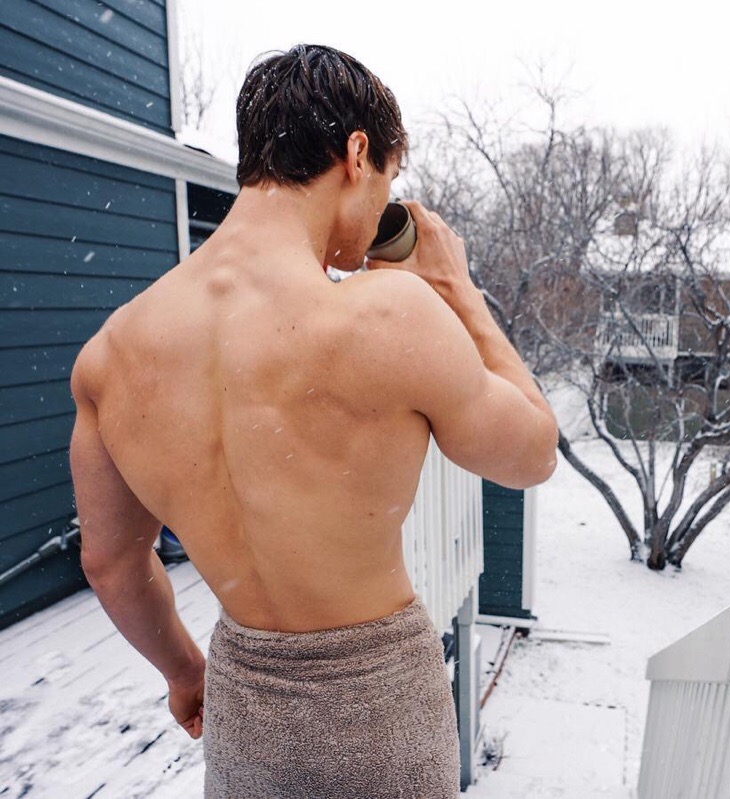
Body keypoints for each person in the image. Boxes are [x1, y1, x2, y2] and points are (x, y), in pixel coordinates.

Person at [68, 44, 558, 798]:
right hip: (381, 721)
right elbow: (532, 454)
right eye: (388, 182)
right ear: (357, 153)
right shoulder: (392, 315)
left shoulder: (112, 354)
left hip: (246, 721)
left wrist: (183, 672)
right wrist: (458, 290)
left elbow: (109, 562)